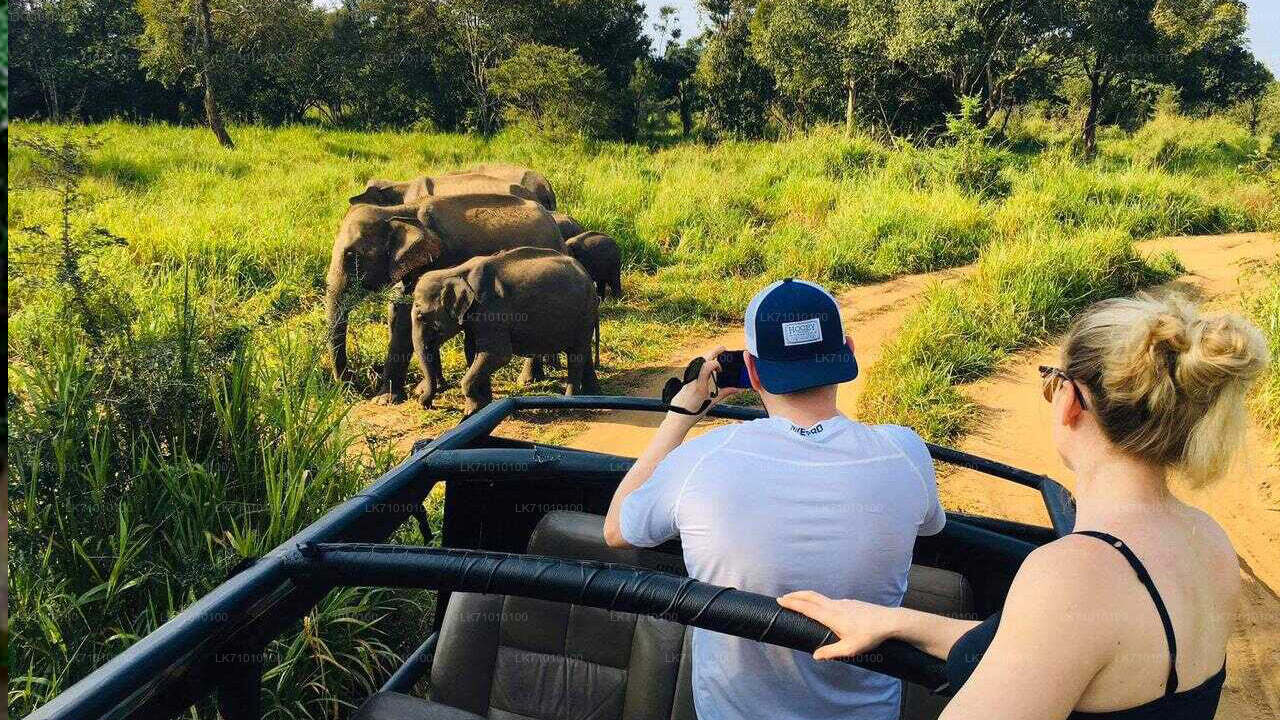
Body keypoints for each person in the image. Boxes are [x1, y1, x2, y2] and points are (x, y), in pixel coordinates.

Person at [779, 293, 1270, 720]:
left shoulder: (1075, 575)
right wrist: (895, 621)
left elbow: (1068, 631)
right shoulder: (1208, 539)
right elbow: (1064, 653)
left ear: (1070, 400)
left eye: (1051, 380)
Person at [603, 278, 946, 720]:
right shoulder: (906, 451)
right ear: (849, 351)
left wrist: (680, 417)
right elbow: (932, 526)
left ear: (752, 368)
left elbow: (616, 529)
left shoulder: (704, 459)